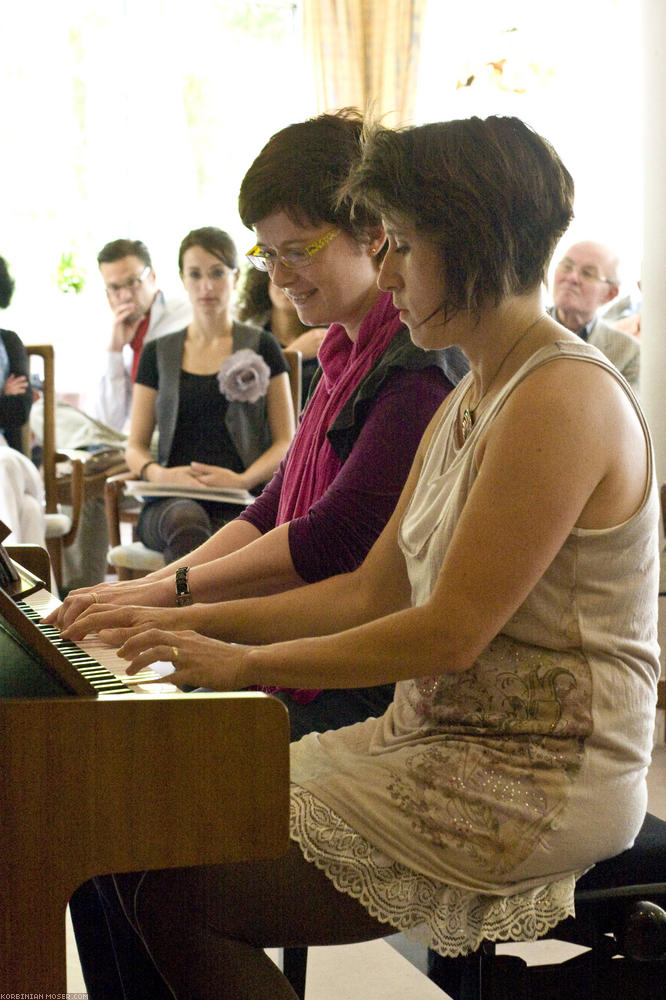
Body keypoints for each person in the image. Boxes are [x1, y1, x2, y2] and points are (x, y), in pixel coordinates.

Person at [64, 114, 659, 1000]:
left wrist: (239, 656)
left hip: (530, 770)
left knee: (173, 890)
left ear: (473, 246)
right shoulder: (475, 392)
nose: (387, 273)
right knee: (133, 836)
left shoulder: (560, 397)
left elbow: (448, 635)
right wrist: (184, 618)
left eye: (403, 247)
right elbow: (371, 589)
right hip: (431, 736)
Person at [55, 110, 465, 739]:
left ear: (374, 232)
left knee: (146, 755)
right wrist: (153, 588)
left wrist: (168, 600)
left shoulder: (417, 372)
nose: (277, 277)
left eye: (298, 252)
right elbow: (274, 507)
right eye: (267, 255)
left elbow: (331, 539)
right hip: (308, 649)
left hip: (354, 682)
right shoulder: (340, 352)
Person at [126, 226, 295, 563]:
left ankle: (187, 615)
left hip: (242, 498)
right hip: (170, 500)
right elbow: (135, 446)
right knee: (187, 520)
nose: (207, 286)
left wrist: (241, 479)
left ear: (235, 277)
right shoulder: (157, 351)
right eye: (195, 274)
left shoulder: (263, 345)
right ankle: (191, 616)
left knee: (232, 531)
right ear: (182, 279)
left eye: (217, 273)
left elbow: (286, 441)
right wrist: (160, 474)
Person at [95, 238, 192, 432]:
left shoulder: (186, 318)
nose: (125, 295)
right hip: (132, 444)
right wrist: (115, 351)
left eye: (132, 282)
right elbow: (108, 423)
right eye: (115, 288)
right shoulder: (115, 333)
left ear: (152, 276)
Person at [549, 239, 640, 390]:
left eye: (587, 273)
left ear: (610, 294)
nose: (572, 277)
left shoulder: (628, 352)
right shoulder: (520, 329)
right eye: (566, 266)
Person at [0, 255, 46, 547]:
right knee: (28, 510)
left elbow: (18, 411)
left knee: (2, 464)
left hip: (12, 460)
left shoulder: (9, 343)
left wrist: (8, 402)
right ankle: (36, 594)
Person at [236, 265, 325, 406]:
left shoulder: (329, 337)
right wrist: (292, 354)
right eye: (275, 269)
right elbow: (239, 394)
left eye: (298, 274)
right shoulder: (246, 339)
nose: (286, 282)